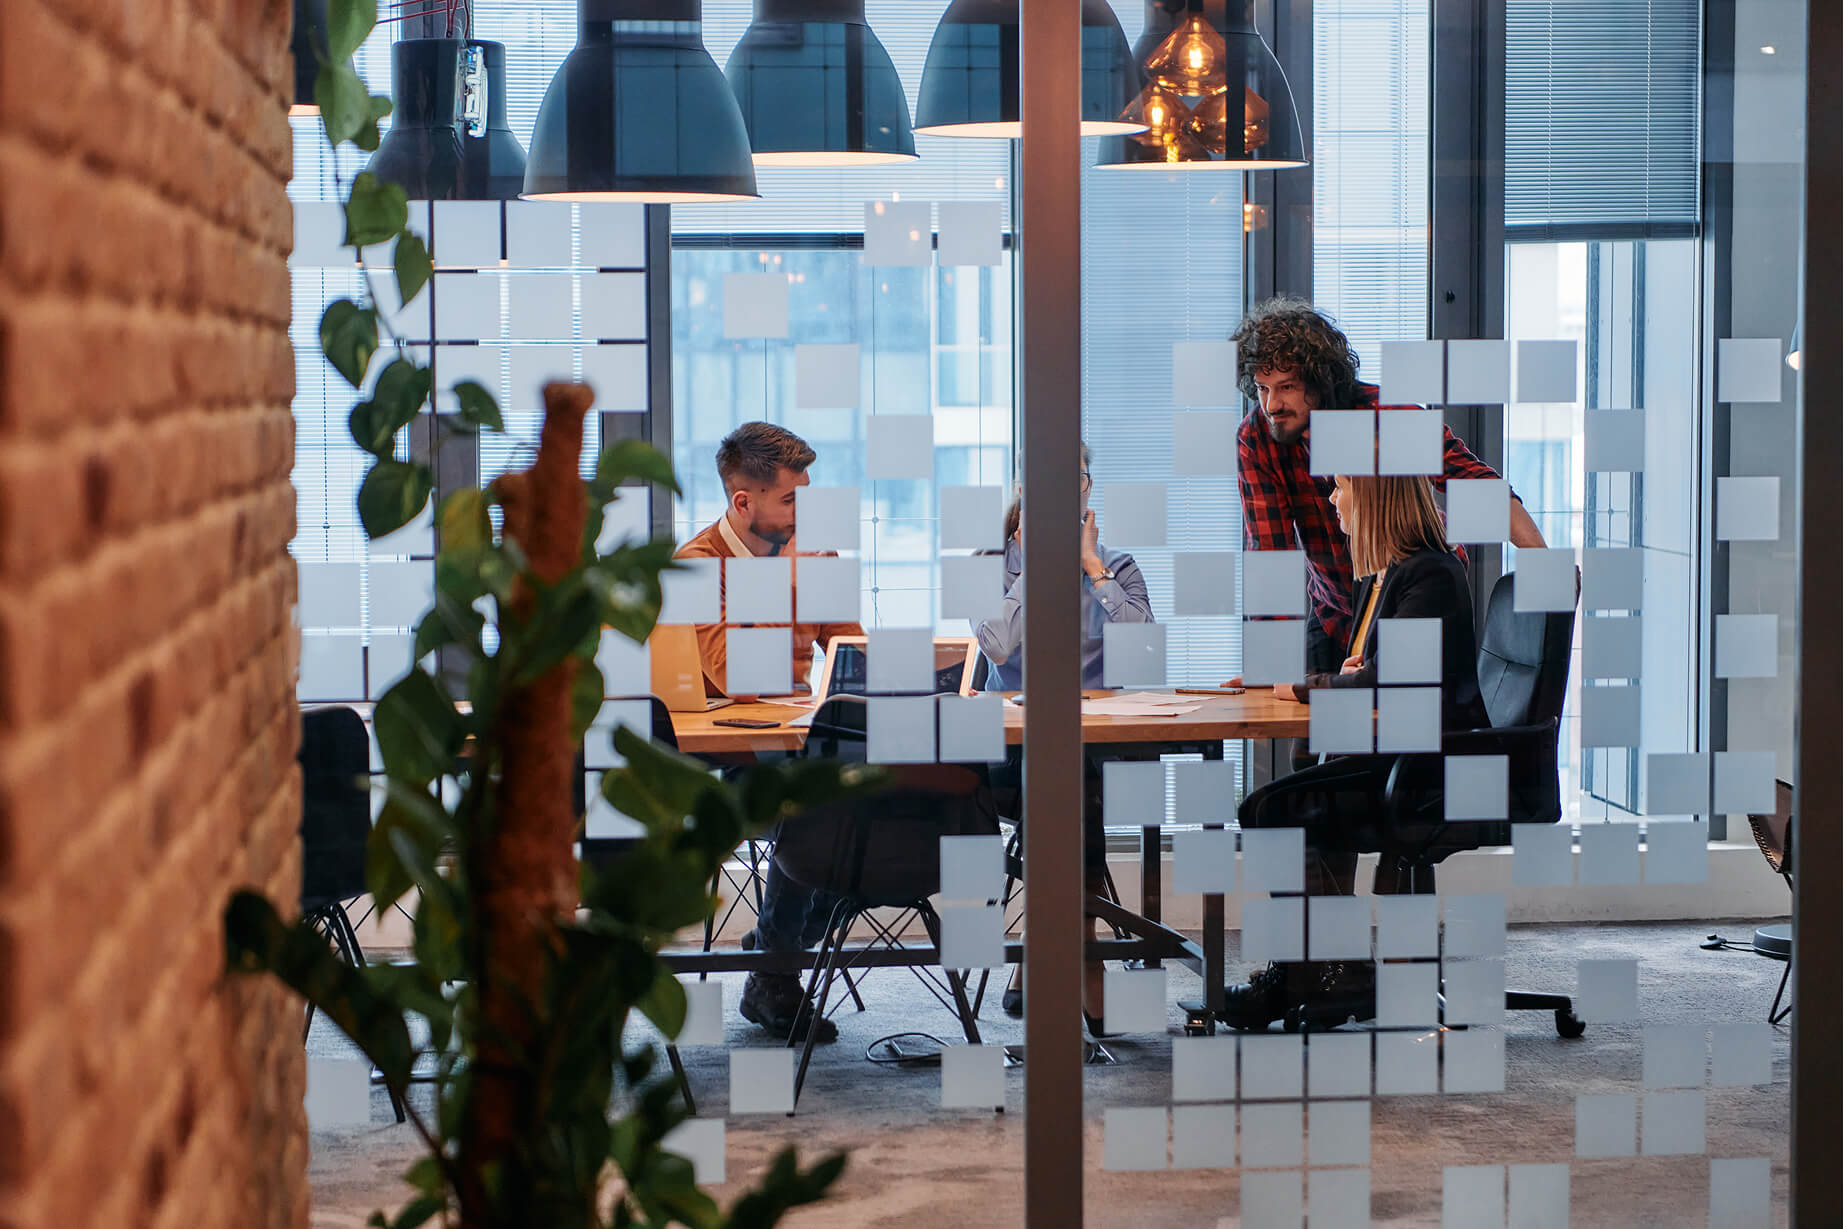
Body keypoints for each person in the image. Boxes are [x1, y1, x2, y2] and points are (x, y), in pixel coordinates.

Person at [1220, 472, 1490, 1031]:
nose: (1331, 500)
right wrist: (1345, 674)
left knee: (1273, 809)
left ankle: (1332, 969)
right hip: (1400, 758)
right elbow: (1376, 673)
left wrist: (1300, 686)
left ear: (1373, 497)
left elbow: (1386, 683)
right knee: (1293, 797)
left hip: (1427, 772)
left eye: (1341, 489)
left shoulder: (1431, 575)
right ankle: (1306, 972)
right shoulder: (1389, 576)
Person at [1231, 299, 1546, 676]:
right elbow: (1270, 558)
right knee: (1302, 721)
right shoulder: (1257, 437)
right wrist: (1267, 667)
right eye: (1263, 388)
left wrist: (1544, 568)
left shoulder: (1386, 416)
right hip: (1337, 610)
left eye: (1286, 387)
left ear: (1320, 380)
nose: (1271, 404)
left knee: (1396, 717)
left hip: (1414, 597)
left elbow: (1477, 484)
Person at [675, 422, 865, 1042]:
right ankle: (777, 973)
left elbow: (850, 654)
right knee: (811, 798)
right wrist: (790, 581)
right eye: (791, 500)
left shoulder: (809, 552)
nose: (804, 514)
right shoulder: (698, 565)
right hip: (729, 763)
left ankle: (772, 950)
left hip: (800, 742)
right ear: (743, 502)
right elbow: (732, 674)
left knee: (882, 792)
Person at [975, 444, 1156, 1030]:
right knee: (1068, 779)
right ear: (1025, 491)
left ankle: (1043, 948)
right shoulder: (991, 563)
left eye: (1073, 479)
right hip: (1009, 760)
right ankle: (1086, 958)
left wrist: (1090, 569)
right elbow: (997, 646)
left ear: (1087, 489)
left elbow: (1145, 651)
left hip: (1097, 753)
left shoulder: (1118, 566)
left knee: (1075, 772)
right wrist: (1032, 568)